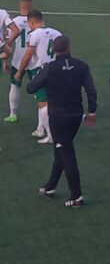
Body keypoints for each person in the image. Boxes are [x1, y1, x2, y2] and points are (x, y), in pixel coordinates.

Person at [27, 35, 96, 207]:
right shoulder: (82, 66)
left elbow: (31, 88)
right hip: (75, 116)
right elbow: (91, 90)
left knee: (67, 154)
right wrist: (92, 112)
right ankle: (50, 187)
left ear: (53, 50)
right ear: (68, 47)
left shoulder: (50, 68)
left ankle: (77, 195)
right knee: (61, 148)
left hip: (58, 117)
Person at [15, 10, 63, 144]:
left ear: (31, 22)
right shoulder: (57, 33)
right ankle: (41, 128)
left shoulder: (34, 35)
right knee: (52, 101)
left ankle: (51, 135)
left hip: (42, 71)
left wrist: (19, 72)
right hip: (57, 69)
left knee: (43, 103)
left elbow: (28, 55)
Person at [2, 0, 33, 122]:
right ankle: (43, 114)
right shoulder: (35, 21)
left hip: (18, 58)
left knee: (15, 85)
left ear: (20, 5)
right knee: (38, 88)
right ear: (31, 6)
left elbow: (6, 43)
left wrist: (5, 61)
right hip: (33, 59)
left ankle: (12, 114)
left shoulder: (14, 22)